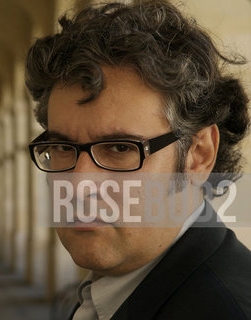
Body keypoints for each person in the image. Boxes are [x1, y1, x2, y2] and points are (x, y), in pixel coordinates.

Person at [25, 1, 251, 319]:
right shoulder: (113, 291)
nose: (78, 185)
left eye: (119, 149)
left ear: (199, 155)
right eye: (62, 148)